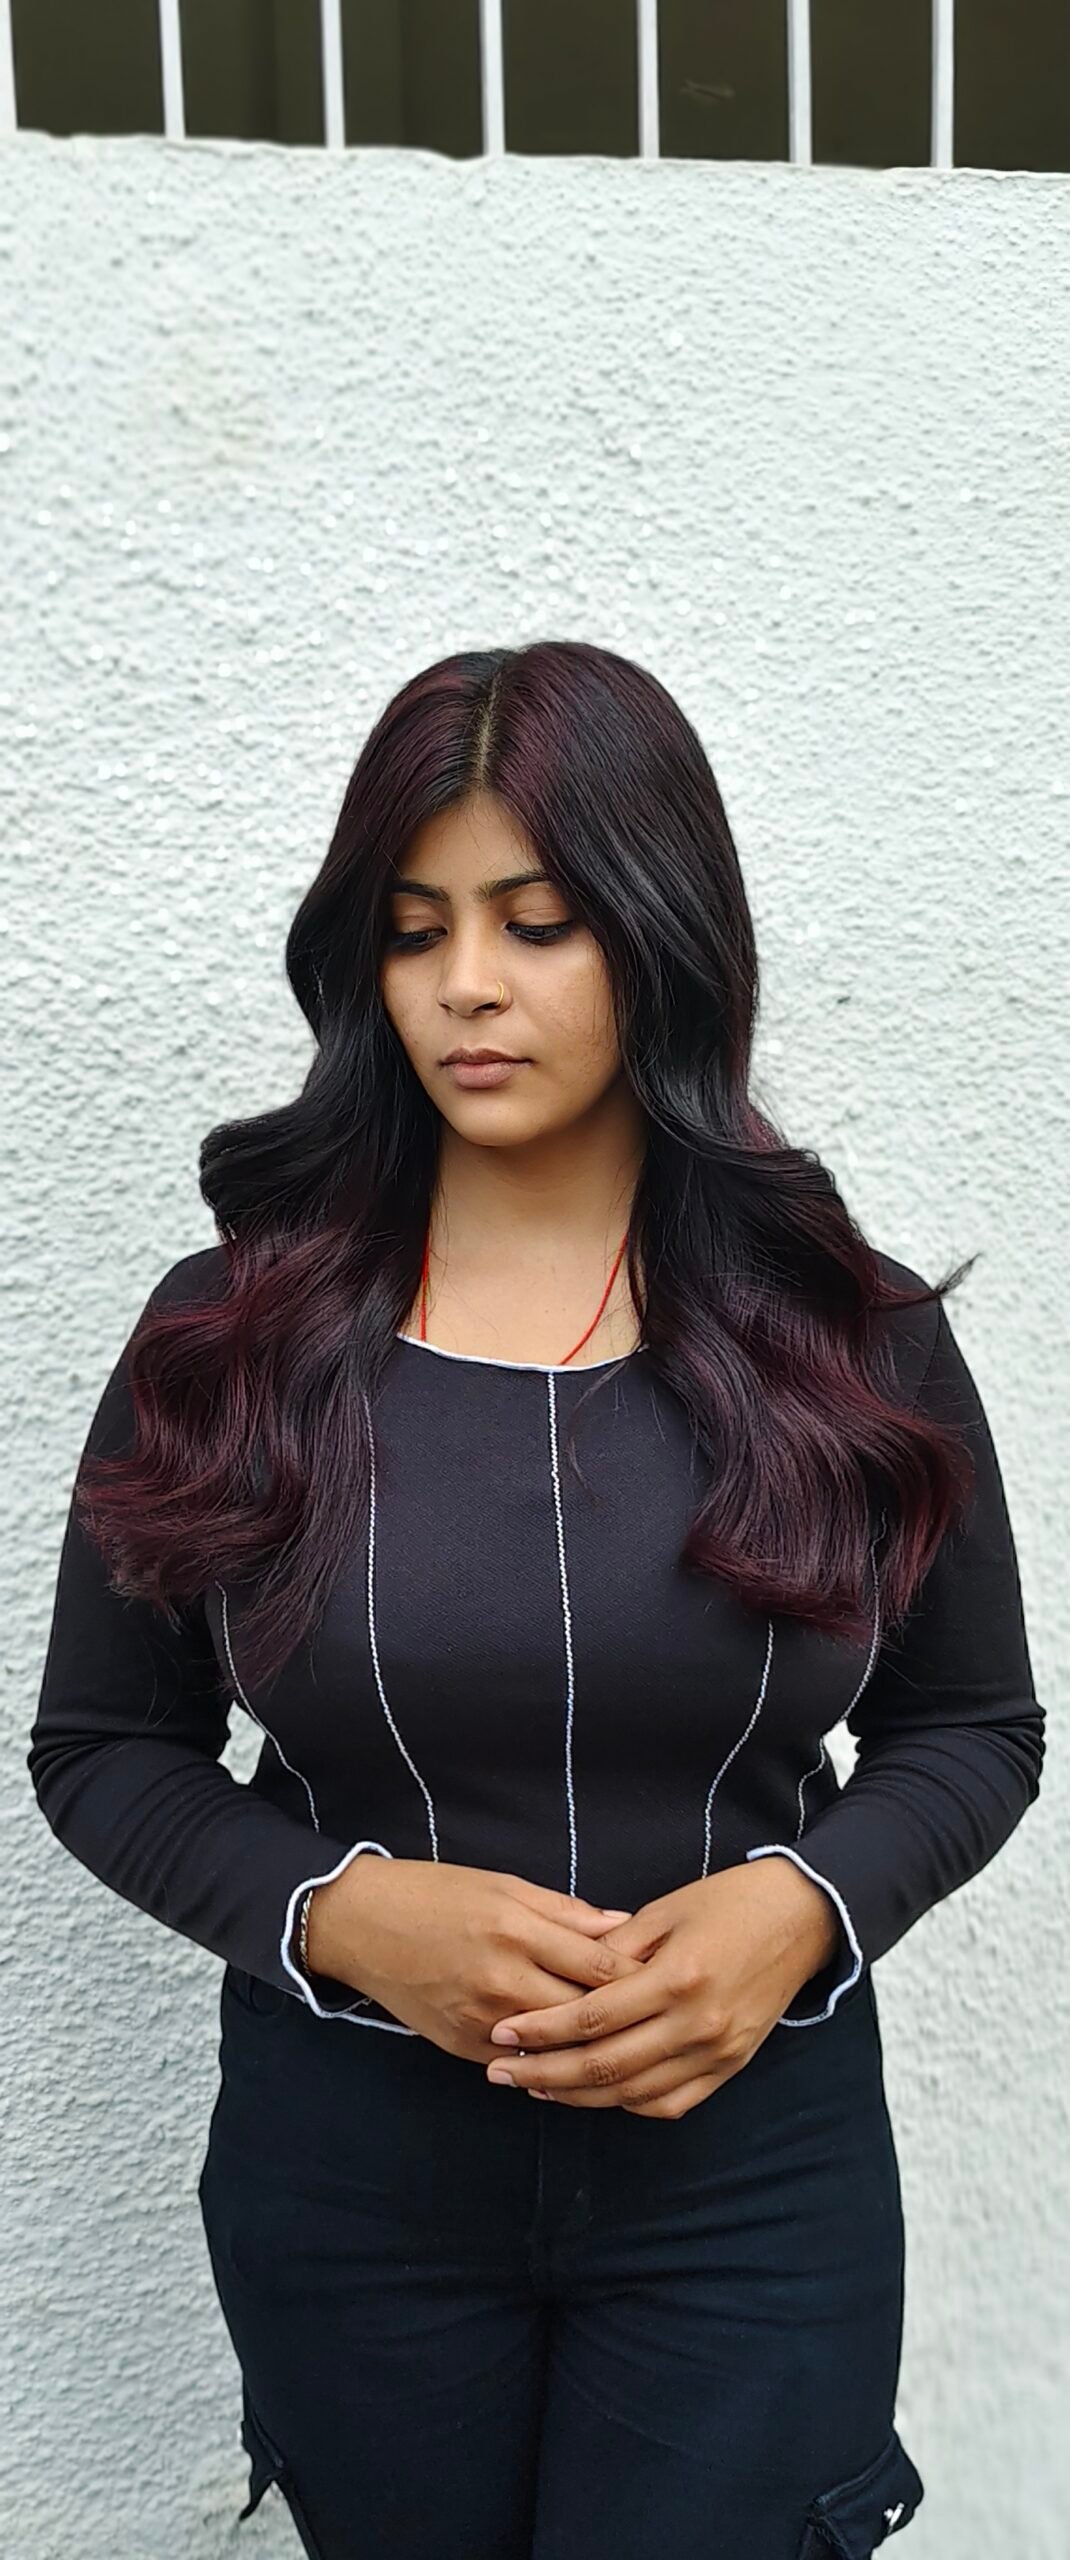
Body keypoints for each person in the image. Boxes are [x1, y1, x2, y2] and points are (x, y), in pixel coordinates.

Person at [28, 639, 1044, 2560]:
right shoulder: (231, 1333)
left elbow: (973, 1728)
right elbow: (100, 1750)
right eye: (414, 932)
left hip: (753, 2184)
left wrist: (800, 1911)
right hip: (351, 2188)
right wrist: (340, 1914)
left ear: (661, 935)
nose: (466, 986)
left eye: (538, 922)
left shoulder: (848, 1333)